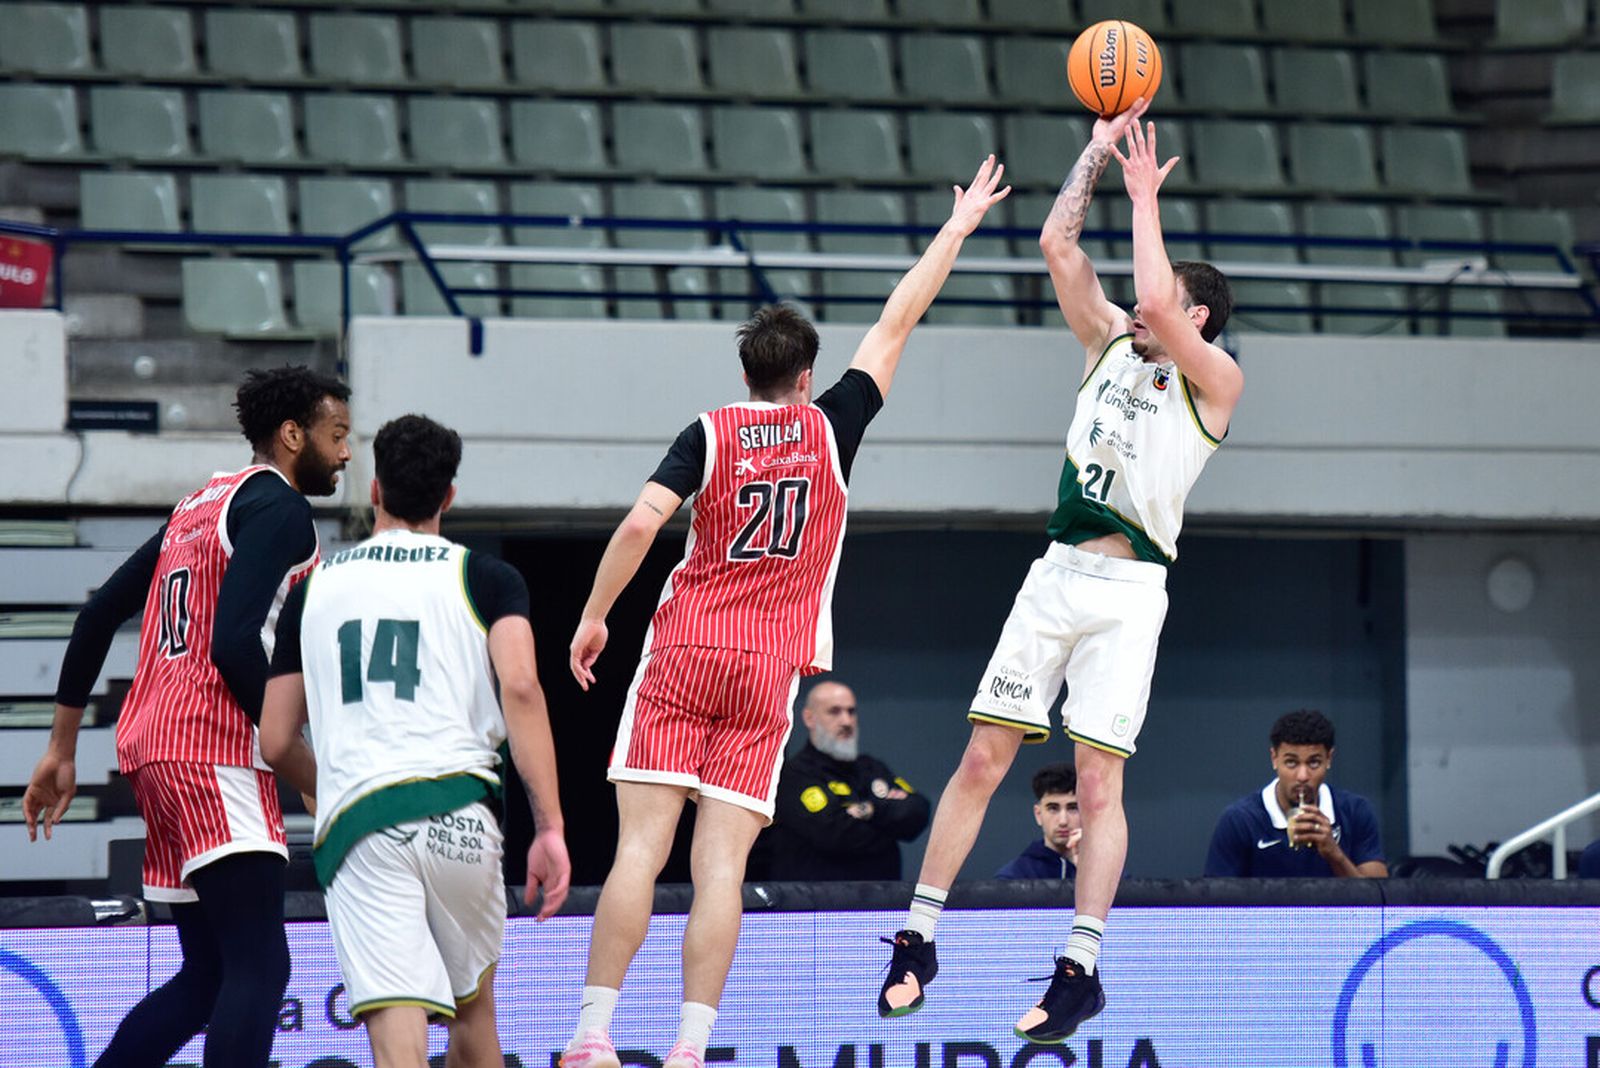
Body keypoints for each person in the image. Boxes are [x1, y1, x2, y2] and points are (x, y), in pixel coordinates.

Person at [560, 157, 1011, 1068]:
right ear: (806, 376)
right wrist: (956, 228)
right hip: (768, 669)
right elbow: (897, 319)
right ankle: (691, 1048)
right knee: (720, 867)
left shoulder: (710, 430)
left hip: (684, 649)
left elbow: (645, 521)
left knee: (640, 852)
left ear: (745, 371)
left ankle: (592, 1034)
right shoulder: (834, 423)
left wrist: (595, 613)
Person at [878, 99, 1244, 1043]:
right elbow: (1055, 241)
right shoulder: (1109, 343)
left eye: (1169, 298)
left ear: (1201, 316)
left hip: (1131, 594)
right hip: (1055, 573)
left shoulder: (1217, 382)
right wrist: (1091, 152)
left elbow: (1158, 299)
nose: (1146, 300)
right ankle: (918, 934)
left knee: (1097, 787)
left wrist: (1146, 197)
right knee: (981, 759)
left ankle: (1080, 965)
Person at [22, 366, 351, 1068]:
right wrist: (290, 748)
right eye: (338, 435)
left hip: (152, 746)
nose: (348, 454)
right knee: (263, 969)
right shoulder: (283, 511)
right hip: (212, 746)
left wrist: (61, 747)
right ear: (294, 436)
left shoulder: (199, 503)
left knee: (208, 977)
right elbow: (233, 642)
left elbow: (97, 612)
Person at [259, 413, 571, 1068]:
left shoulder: (313, 589)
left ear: (374, 490)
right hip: (462, 815)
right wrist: (550, 826)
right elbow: (520, 687)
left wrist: (325, 786)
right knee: (475, 1011)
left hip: (363, 823)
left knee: (396, 1023)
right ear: (448, 497)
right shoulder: (485, 577)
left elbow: (277, 738)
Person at [766, 680, 931, 881]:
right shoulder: (794, 775)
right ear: (809, 718)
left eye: (851, 712)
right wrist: (889, 825)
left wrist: (871, 810)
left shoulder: (872, 768)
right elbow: (833, 835)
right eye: (834, 712)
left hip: (883, 903)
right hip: (817, 905)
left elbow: (917, 810)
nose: (846, 721)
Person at [1204, 710, 1387, 878]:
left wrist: (1335, 855)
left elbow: (1380, 899)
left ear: (1329, 759)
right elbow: (1216, 904)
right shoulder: (1239, 820)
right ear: (1274, 758)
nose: (1302, 776)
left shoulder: (1355, 811)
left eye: (1314, 763)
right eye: (1291, 763)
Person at [996, 763, 1080, 880]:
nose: (1063, 821)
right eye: (1053, 808)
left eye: (1073, 808)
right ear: (1038, 814)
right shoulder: (1014, 876)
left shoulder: (1107, 871)